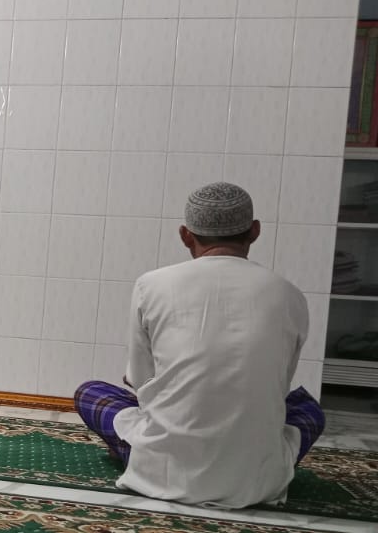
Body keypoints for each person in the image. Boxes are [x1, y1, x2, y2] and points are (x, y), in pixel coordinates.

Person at [74, 182, 325, 509]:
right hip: (256, 481)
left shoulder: (151, 284)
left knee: (90, 393)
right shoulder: (289, 294)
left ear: (185, 235)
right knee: (309, 410)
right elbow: (279, 385)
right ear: (255, 231)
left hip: (164, 471)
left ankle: (133, 453)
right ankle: (256, 464)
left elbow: (139, 380)